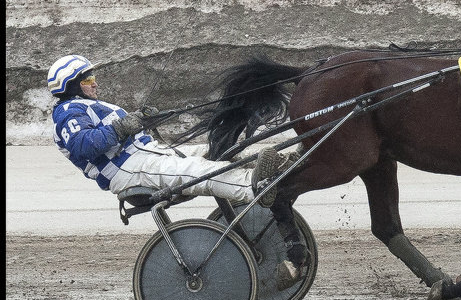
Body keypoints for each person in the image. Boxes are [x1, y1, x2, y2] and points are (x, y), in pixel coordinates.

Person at [47, 54, 295, 207]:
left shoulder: (88, 106)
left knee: (219, 149)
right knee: (197, 171)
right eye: (88, 80)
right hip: (127, 169)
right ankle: (254, 186)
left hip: (146, 155)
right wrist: (123, 126)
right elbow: (83, 145)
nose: (95, 83)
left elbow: (119, 133)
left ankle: (280, 165)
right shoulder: (67, 111)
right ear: (71, 86)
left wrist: (143, 121)